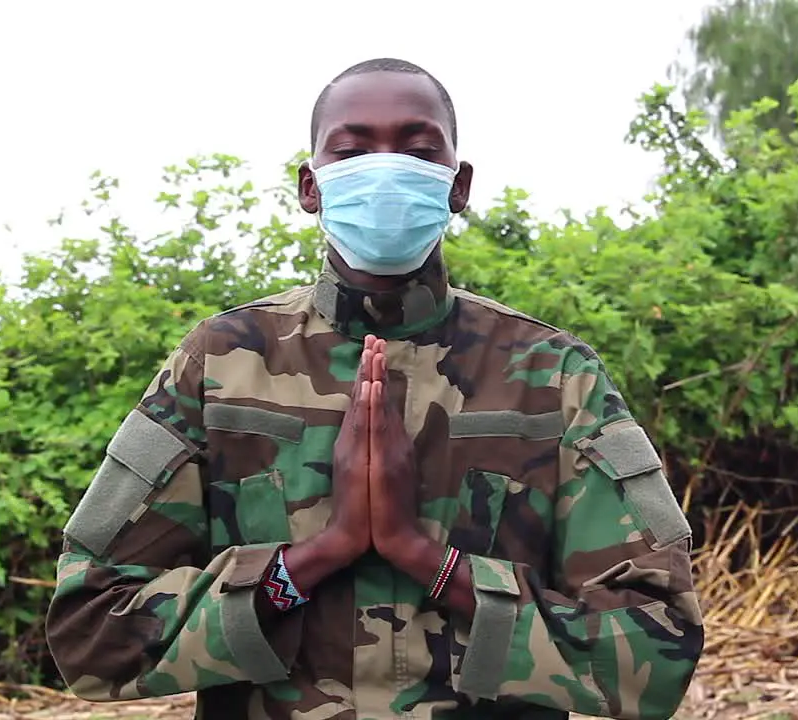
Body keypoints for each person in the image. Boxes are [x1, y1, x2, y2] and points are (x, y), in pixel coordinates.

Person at [45, 57, 704, 720]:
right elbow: (90, 635)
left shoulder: (555, 376)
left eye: (418, 150)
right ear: (311, 186)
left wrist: (429, 561)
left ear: (457, 185)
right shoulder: (219, 364)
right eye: (353, 149)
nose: (386, 170)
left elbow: (654, 657)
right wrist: (310, 560)